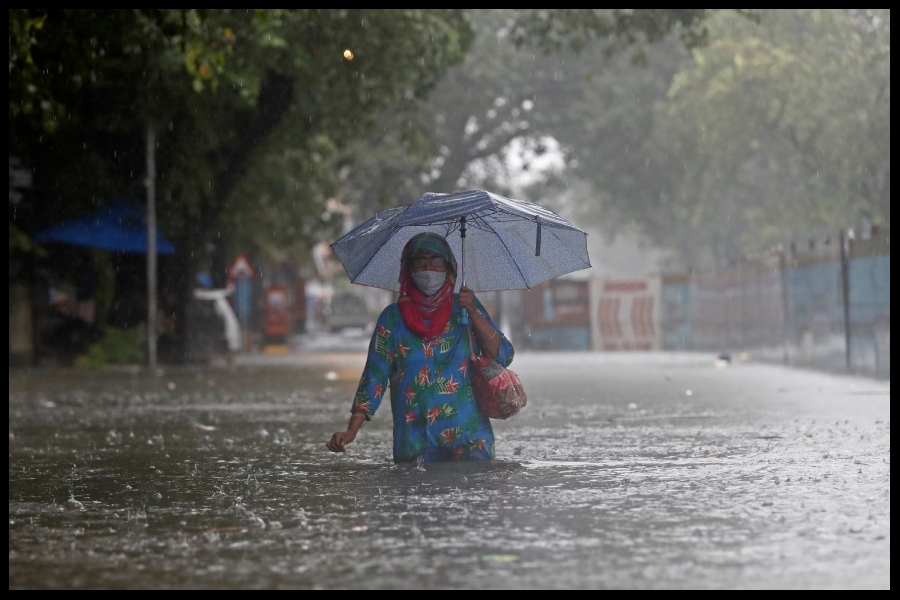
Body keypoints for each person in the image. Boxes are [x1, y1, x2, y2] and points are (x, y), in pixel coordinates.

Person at [326, 232, 515, 463]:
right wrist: (352, 430)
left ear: (449, 267)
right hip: (414, 442)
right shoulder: (392, 319)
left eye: (436, 260)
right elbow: (374, 377)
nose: (428, 268)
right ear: (408, 268)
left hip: (470, 441)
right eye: (420, 260)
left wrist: (474, 313)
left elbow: (504, 355)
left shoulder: (466, 308)